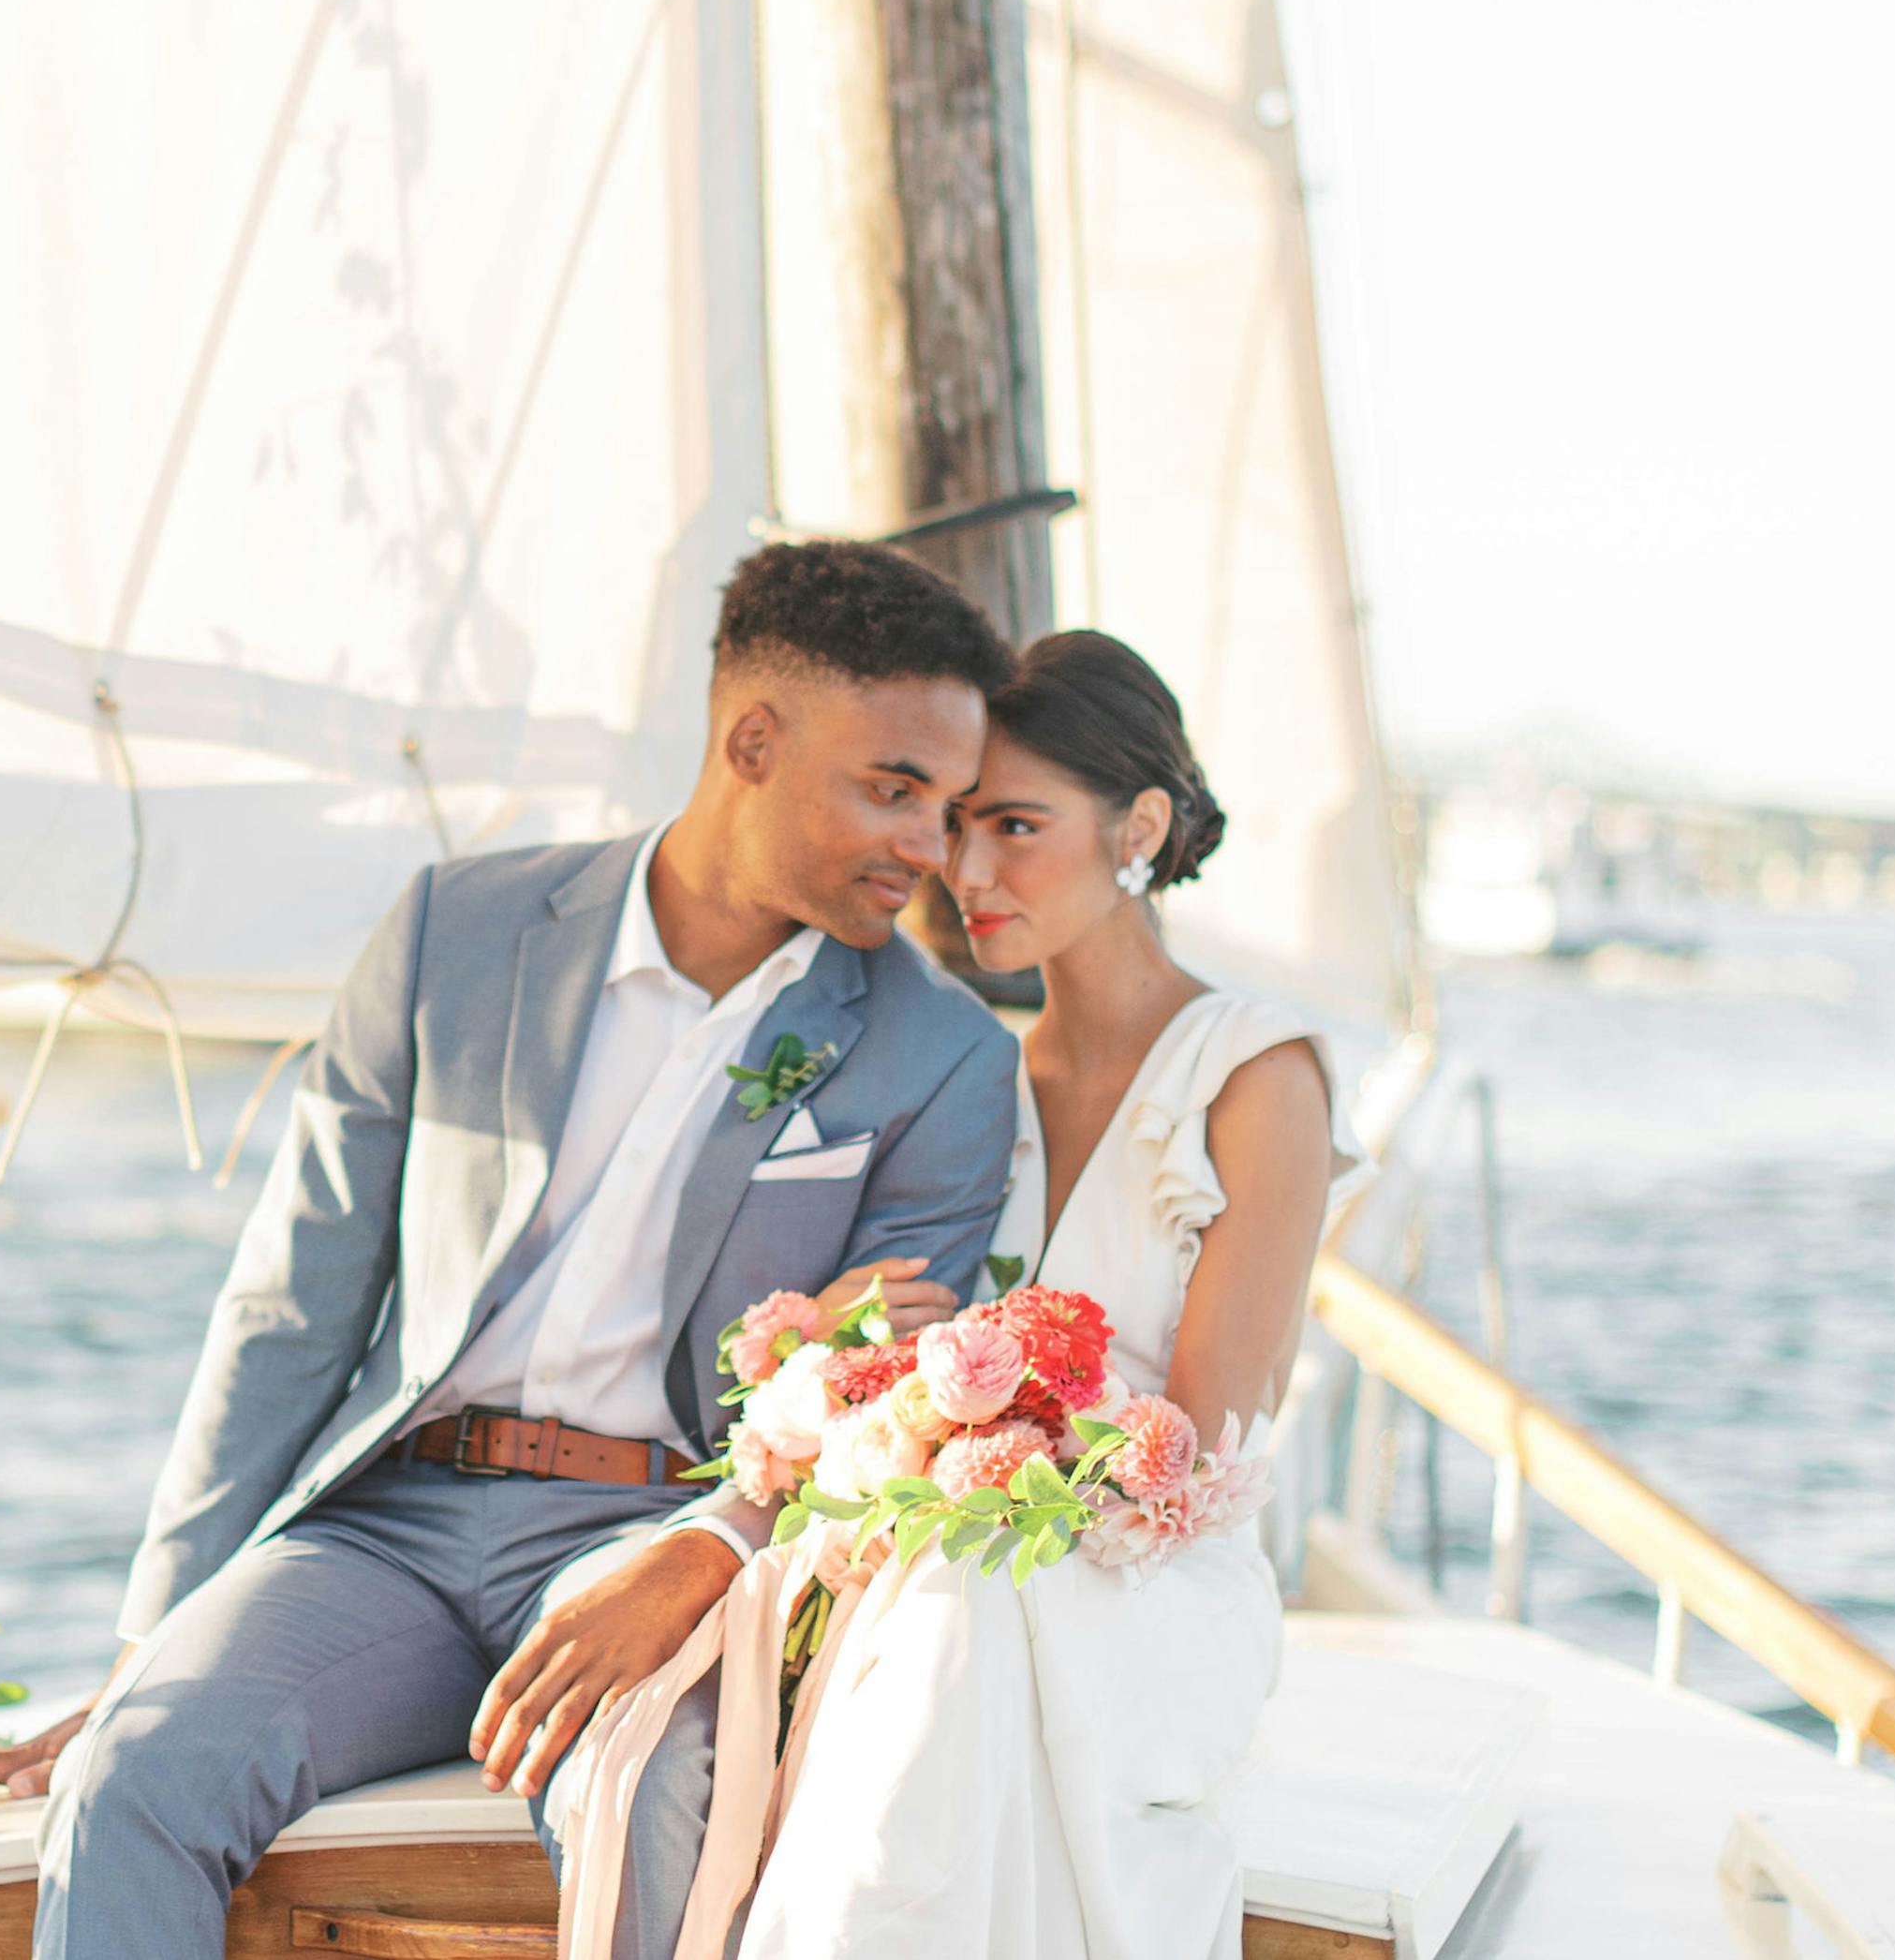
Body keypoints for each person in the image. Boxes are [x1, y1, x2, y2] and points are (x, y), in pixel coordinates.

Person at [0, 541, 1027, 1960]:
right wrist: (145, 1657)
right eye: (895, 789)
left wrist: (702, 1556)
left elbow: (887, 1417)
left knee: (651, 1796)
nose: (932, 846)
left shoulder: (945, 1058)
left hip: (661, 1534)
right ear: (752, 741)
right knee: (137, 1776)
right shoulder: (458, 932)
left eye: (953, 805)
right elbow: (295, 1305)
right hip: (388, 1533)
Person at [565, 628, 1357, 1960]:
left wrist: (965, 1391)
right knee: (949, 1598)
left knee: (962, 1606)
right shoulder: (969, 1071)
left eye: (1015, 827)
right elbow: (894, 1322)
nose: (964, 870)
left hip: (1158, 1583)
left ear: (1139, 826)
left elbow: (1207, 1440)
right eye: (952, 825)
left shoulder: (1255, 1074)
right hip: (964, 1545)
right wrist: (854, 1347)